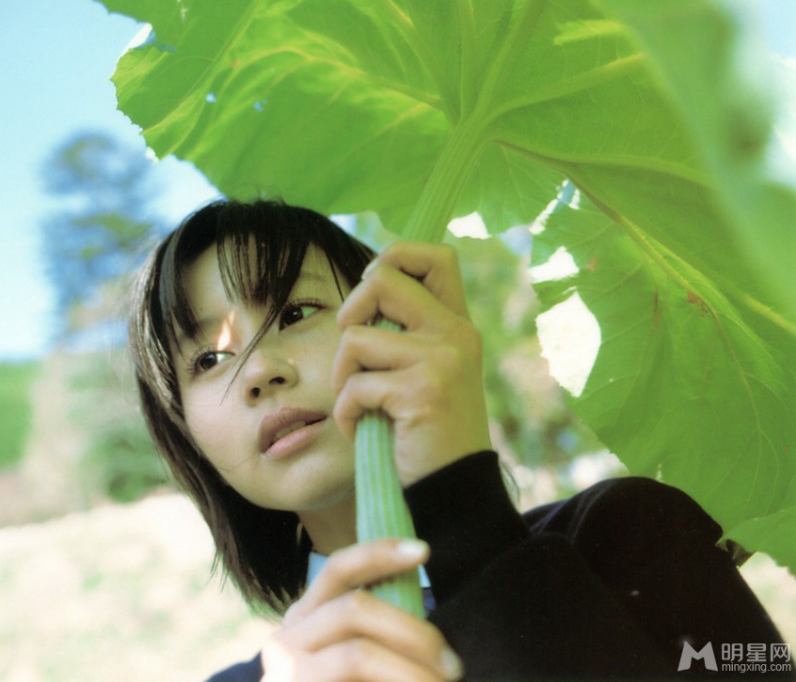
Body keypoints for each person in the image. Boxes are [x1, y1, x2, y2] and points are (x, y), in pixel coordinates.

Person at [129, 198, 792, 681]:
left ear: (395, 321)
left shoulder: (630, 535)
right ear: (188, 437)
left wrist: (466, 521)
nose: (259, 371)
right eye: (208, 360)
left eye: (296, 312)